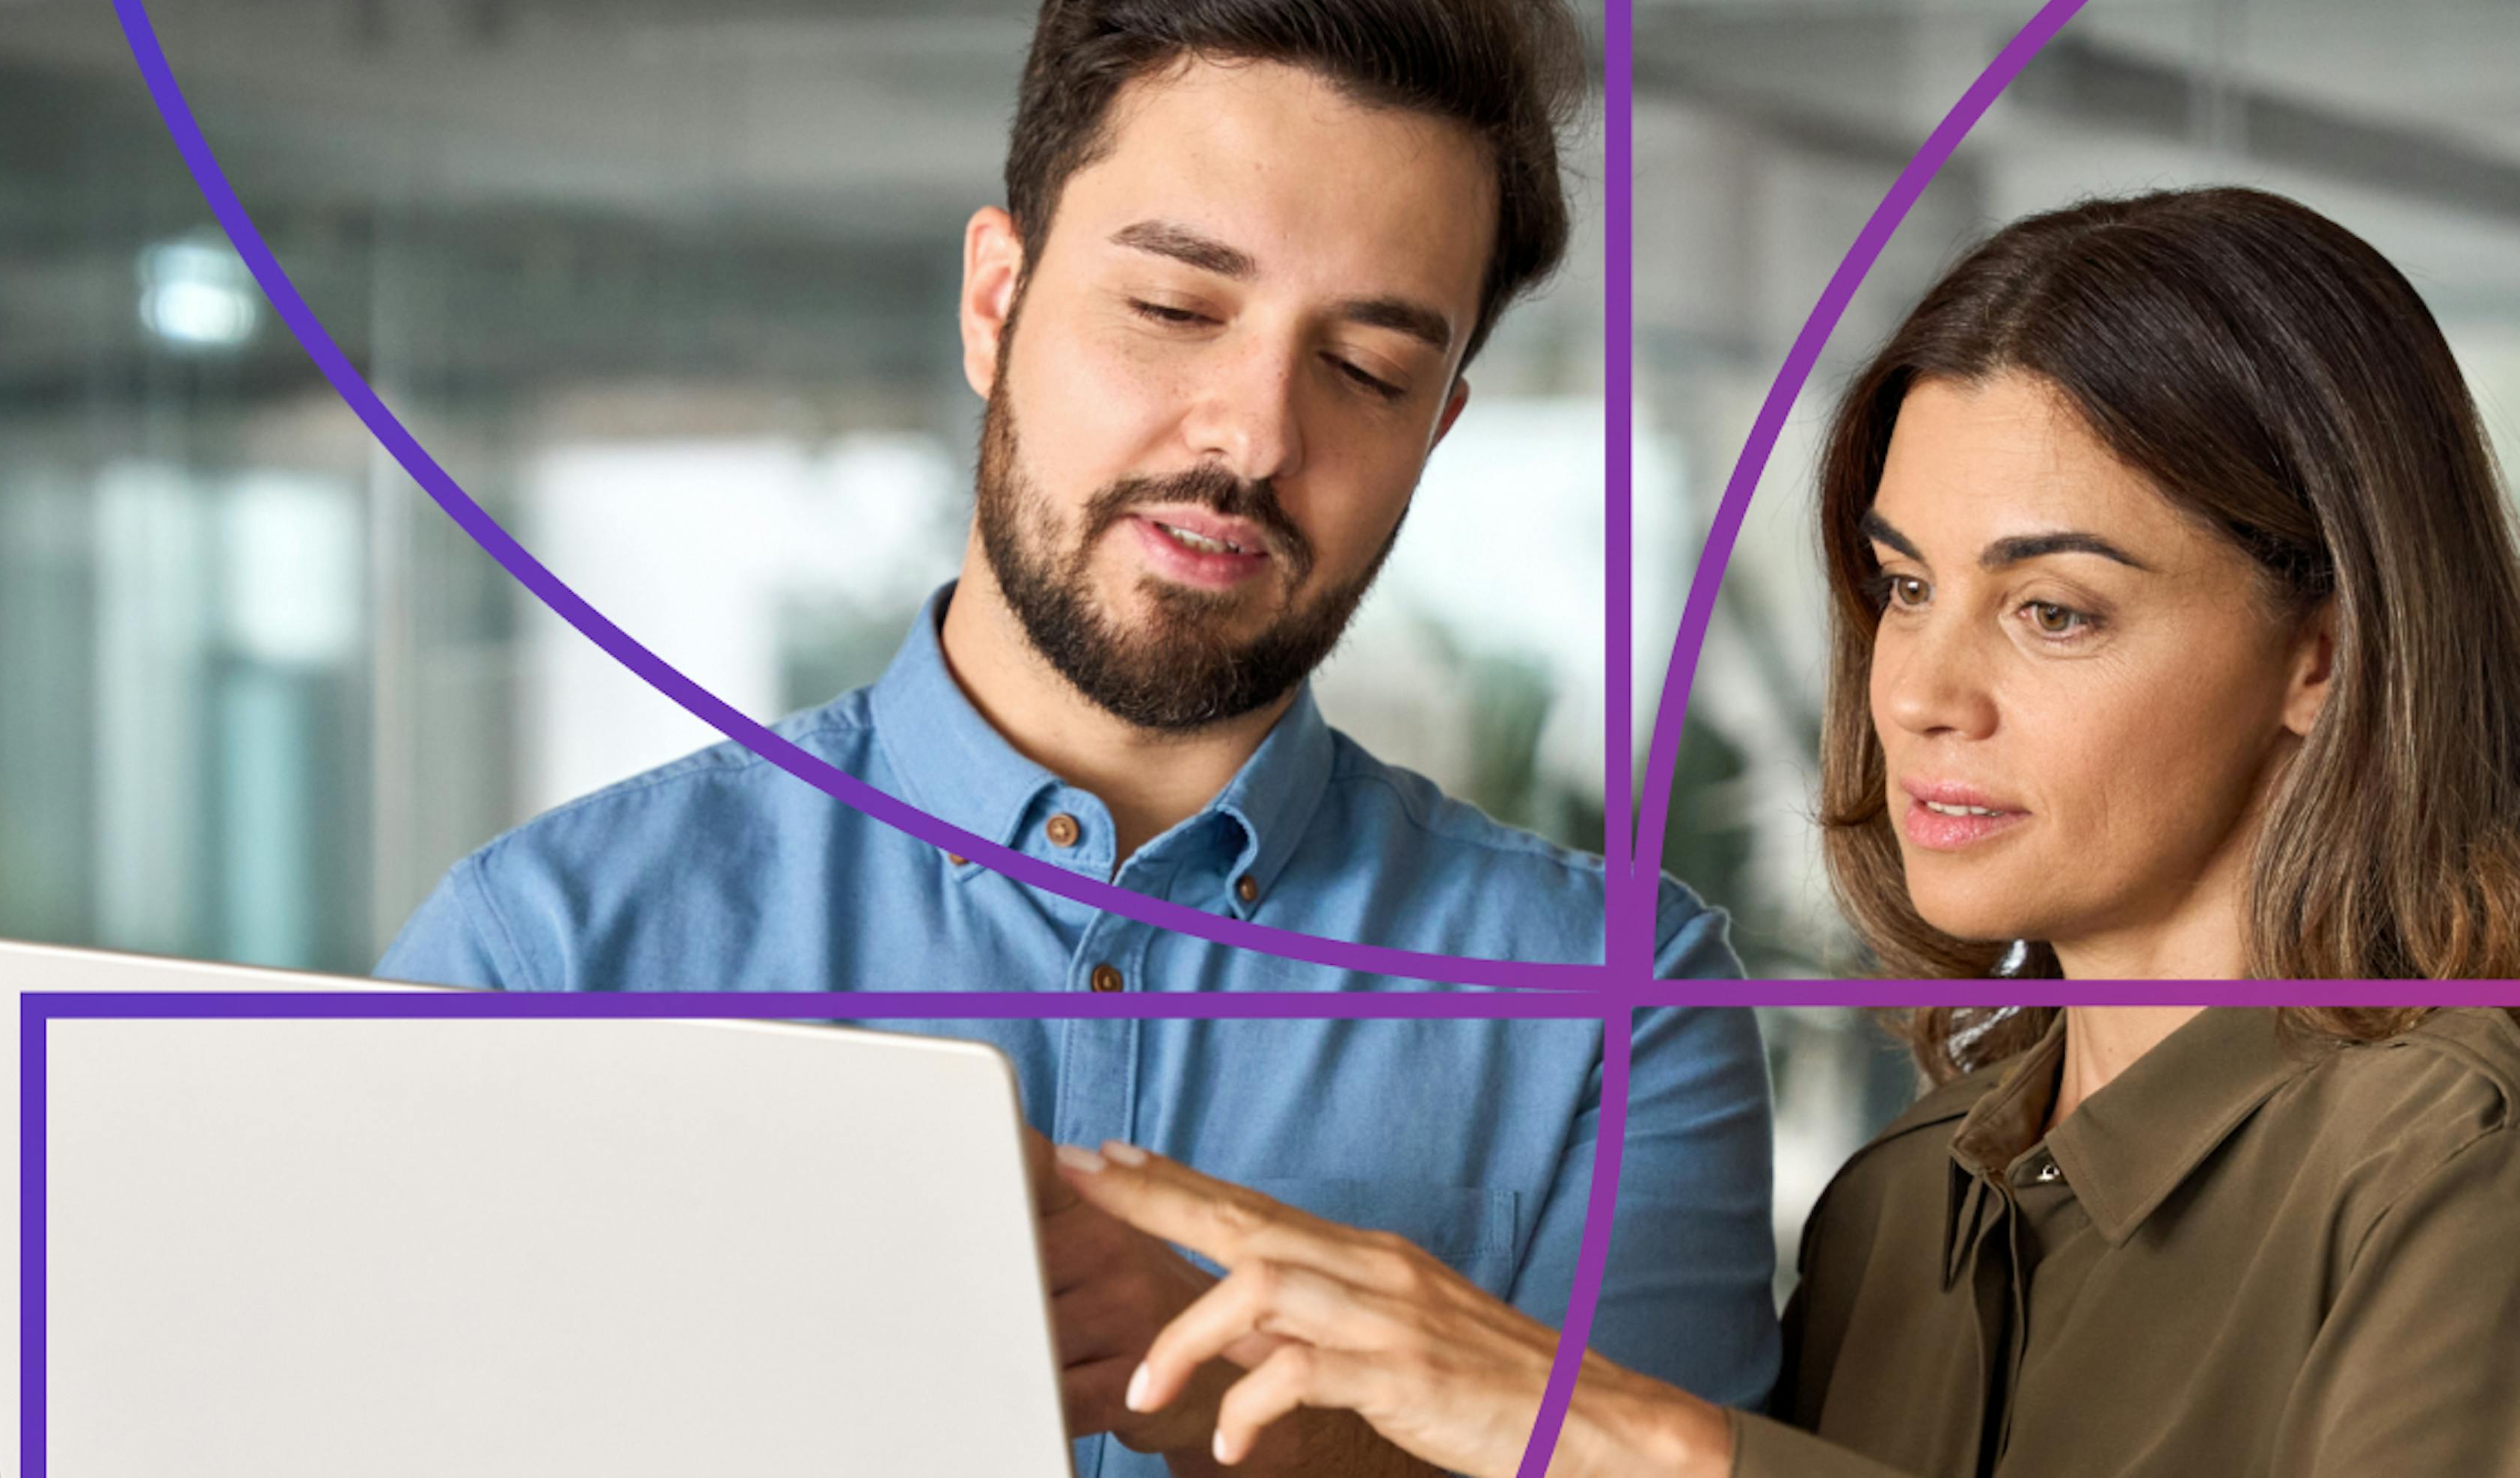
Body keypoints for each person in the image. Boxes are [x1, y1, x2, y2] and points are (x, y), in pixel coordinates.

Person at [371, 0, 1780, 1477]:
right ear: (996, 302)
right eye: (1176, 308)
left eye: (1369, 369)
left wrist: (1269, 1417)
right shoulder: (548, 953)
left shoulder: (1613, 1010)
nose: (1254, 436)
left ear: (1435, 431)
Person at [1051, 185, 2520, 1477]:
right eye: (1905, 588)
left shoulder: (2460, 1159)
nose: (1926, 694)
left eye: (2052, 611)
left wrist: (1642, 1440)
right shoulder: (1904, 1197)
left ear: (2323, 656)